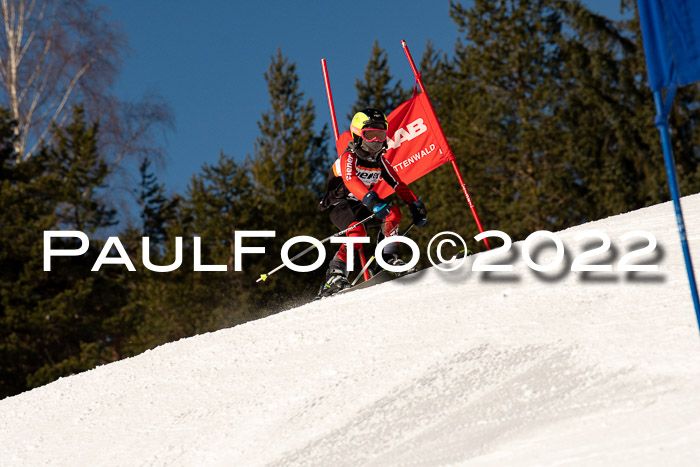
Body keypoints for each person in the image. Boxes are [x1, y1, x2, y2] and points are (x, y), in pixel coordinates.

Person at [317, 107, 427, 297]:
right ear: (358, 135)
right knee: (357, 232)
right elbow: (351, 180)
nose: (377, 140)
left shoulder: (380, 161)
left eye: (380, 134)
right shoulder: (349, 157)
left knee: (393, 214)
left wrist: (414, 204)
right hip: (340, 204)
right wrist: (370, 198)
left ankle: (387, 259)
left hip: (363, 204)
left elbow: (398, 184)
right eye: (371, 135)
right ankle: (335, 274)